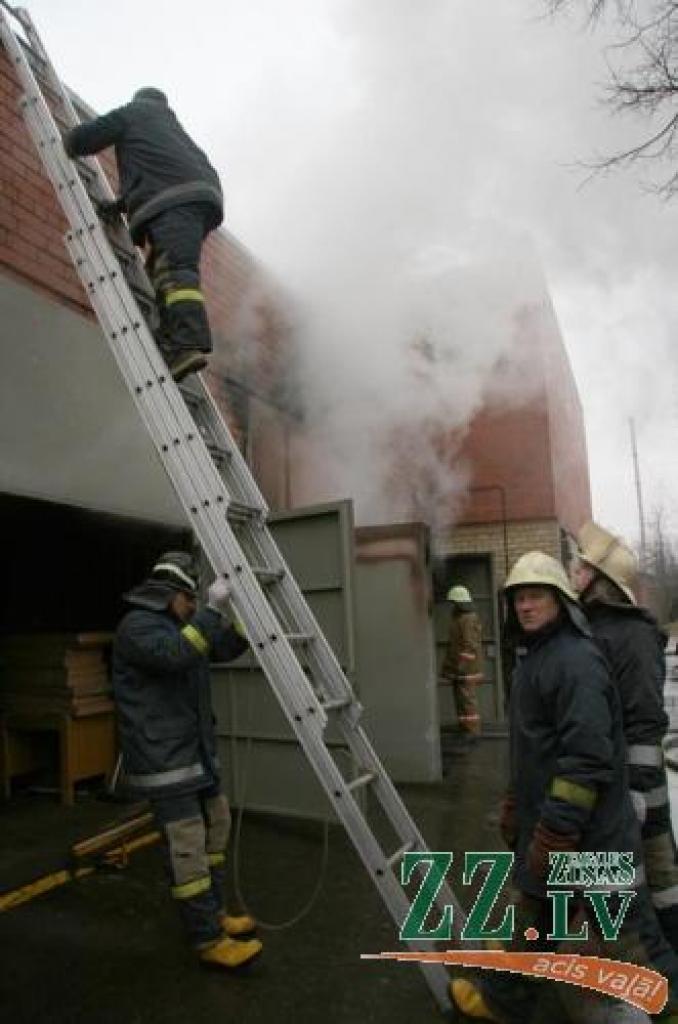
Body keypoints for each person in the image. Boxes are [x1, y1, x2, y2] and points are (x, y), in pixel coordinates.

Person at [450, 551, 678, 1024]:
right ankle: (501, 1001)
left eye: (536, 596)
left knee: (633, 940)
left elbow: (586, 761)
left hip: (591, 839)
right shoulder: (537, 659)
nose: (526, 607)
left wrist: (555, 833)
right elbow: (535, 753)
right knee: (534, 922)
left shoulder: (576, 661)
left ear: (560, 601)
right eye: (518, 599)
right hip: (554, 834)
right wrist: (518, 804)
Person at [112, 551, 262, 969]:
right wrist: (211, 611)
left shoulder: (183, 625)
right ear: (169, 593)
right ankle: (207, 940)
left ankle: (214, 914)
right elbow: (176, 653)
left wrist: (246, 618)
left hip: (196, 753)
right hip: (166, 759)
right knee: (188, 848)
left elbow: (222, 647)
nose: (194, 605)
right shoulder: (138, 626)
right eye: (190, 598)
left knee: (217, 826)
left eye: (197, 601)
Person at [64, 88, 223, 383]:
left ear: (141, 100)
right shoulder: (170, 131)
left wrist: (71, 141)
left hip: (177, 201)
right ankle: (170, 340)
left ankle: (184, 344)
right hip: (197, 200)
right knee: (159, 269)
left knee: (175, 270)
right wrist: (120, 205)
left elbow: (95, 133)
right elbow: (156, 175)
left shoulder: (137, 112)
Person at [572, 520, 678, 954]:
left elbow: (644, 718)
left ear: (599, 580)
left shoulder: (629, 633)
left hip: (638, 790)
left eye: (580, 567)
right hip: (611, 785)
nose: (572, 572)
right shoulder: (593, 626)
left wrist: (635, 788)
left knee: (659, 882)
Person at [439, 584, 484, 749]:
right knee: (461, 701)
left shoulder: (468, 618)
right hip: (460, 668)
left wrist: (462, 666)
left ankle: (472, 732)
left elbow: (469, 646)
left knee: (467, 701)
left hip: (466, 669)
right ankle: (465, 729)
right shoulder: (461, 617)